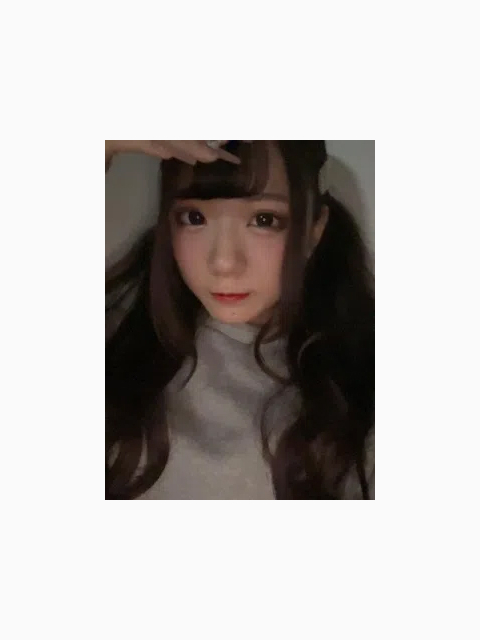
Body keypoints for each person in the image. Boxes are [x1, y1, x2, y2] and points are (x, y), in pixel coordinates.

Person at [105, 140, 375, 500]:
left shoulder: (362, 385)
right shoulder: (120, 338)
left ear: (315, 230)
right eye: (194, 218)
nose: (224, 262)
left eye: (264, 220)